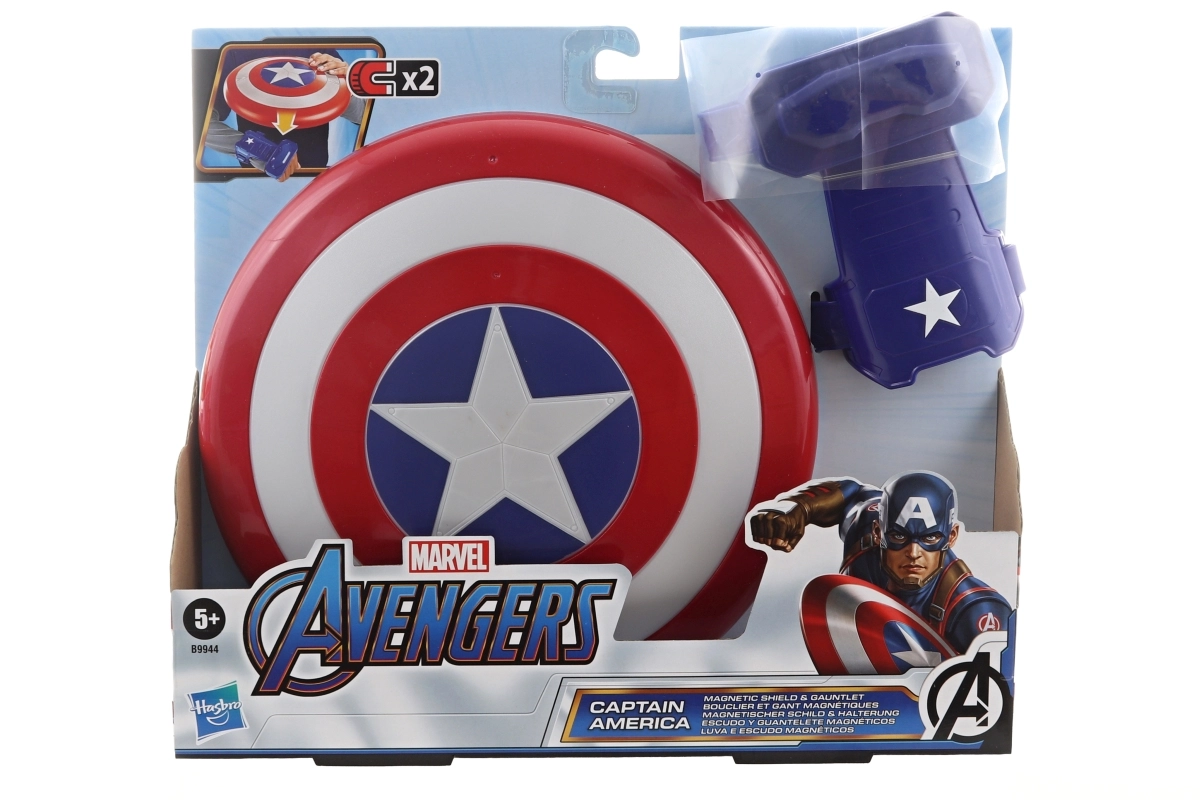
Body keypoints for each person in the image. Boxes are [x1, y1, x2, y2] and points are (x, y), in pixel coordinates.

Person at [749, 470, 1010, 654]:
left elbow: (995, 694)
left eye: (930, 538)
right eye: (899, 536)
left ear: (951, 537)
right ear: (877, 532)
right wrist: (796, 508)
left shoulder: (975, 609)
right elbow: (851, 492)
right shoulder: (865, 531)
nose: (913, 553)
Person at [203, 50, 366, 180]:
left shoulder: (321, 49)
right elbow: (202, 124)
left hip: (315, 177)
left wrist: (348, 83)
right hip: (256, 179)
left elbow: (363, 115)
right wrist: (262, 151)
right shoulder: (235, 53)